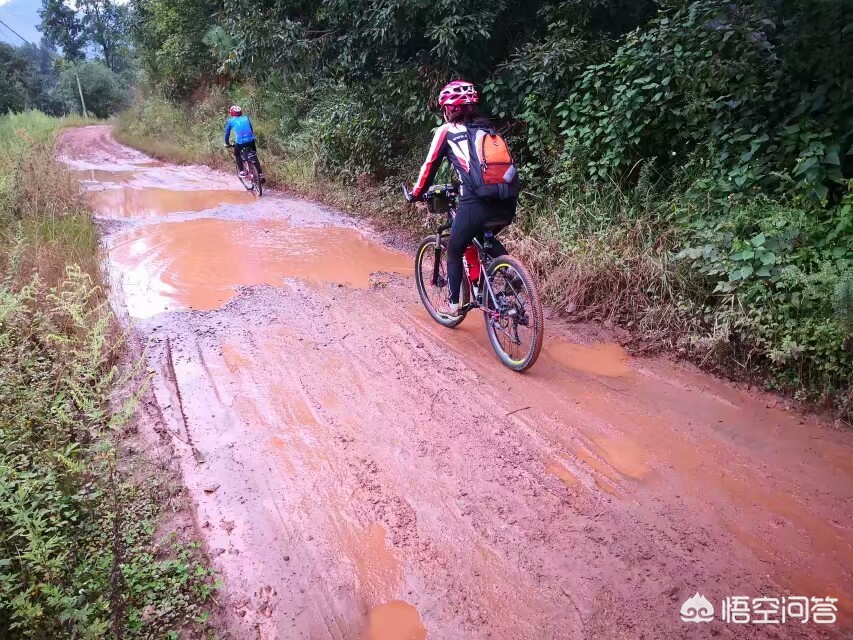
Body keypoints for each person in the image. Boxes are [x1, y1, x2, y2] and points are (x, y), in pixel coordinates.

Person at [407, 80, 519, 316]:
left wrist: (415, 194)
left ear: (450, 109)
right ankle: (513, 271)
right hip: (506, 200)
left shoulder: (446, 131)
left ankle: (453, 305)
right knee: (480, 234)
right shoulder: (487, 129)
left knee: (454, 248)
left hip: (475, 201)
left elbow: (429, 167)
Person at [224, 105, 265, 183]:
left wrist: (227, 143)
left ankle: (242, 171)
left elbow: (227, 133)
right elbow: (251, 129)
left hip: (240, 142)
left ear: (231, 113)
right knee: (254, 156)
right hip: (251, 140)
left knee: (237, 154)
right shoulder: (246, 118)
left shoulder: (230, 121)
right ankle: (260, 174)